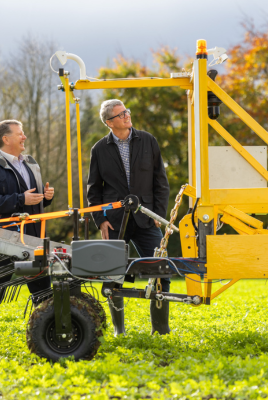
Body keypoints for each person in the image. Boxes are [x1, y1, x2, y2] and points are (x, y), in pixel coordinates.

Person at [87, 99, 170, 336]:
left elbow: (160, 182)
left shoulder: (148, 140)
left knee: (160, 269)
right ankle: (118, 329)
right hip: (114, 221)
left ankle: (161, 329)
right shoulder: (99, 149)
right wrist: (100, 220)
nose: (127, 116)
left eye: (127, 112)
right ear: (109, 122)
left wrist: (159, 215)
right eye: (121, 114)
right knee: (112, 274)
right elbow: (94, 189)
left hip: (147, 218)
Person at [0, 120, 54, 335]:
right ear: (6, 139)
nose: (24, 137)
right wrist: (21, 198)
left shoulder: (31, 163)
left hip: (33, 234)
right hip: (4, 235)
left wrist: (45, 198)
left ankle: (45, 328)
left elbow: (34, 201)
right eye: (20, 134)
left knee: (41, 282)